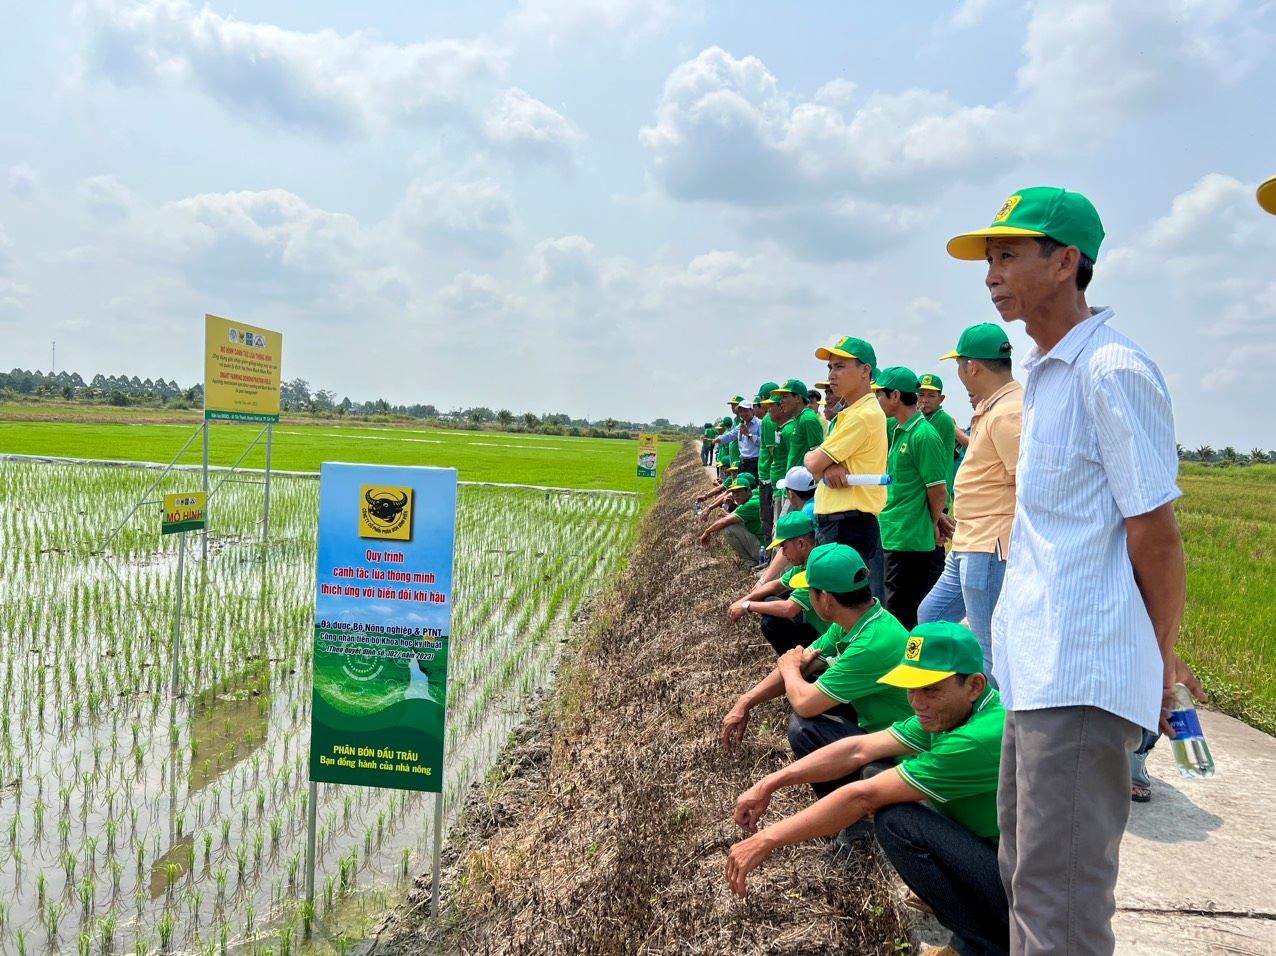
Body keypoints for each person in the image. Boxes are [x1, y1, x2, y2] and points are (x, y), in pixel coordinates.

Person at [946, 185, 1204, 955]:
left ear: (1066, 262)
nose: (992, 273)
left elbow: (1154, 532)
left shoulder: (1110, 371)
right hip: (1035, 667)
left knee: (1061, 909)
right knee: (1027, 877)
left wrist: (1160, 657)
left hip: (1082, 672)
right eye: (988, 257)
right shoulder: (1044, 377)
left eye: (1008, 254)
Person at [726, 621, 1009, 956]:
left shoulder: (978, 738)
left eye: (930, 689)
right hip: (997, 857)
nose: (917, 702)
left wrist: (765, 839)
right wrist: (770, 782)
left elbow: (862, 798)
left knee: (896, 820)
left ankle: (982, 945)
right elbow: (858, 749)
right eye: (911, 688)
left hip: (1016, 887)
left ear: (974, 685)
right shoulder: (955, 712)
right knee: (875, 770)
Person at [917, 323, 1023, 686]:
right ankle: (952, 701)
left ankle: (993, 731)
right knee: (931, 615)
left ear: (972, 366)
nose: (960, 374)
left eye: (959, 365)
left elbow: (1027, 485)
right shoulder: (993, 408)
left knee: (988, 646)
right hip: (968, 541)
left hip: (989, 546)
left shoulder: (1010, 412)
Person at [777, 544, 912, 788]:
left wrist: (790, 670)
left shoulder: (871, 644)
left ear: (826, 599)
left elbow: (805, 703)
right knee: (807, 682)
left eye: (810, 590)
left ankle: (859, 817)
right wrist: (746, 702)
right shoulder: (855, 620)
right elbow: (804, 659)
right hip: (884, 730)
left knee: (804, 728)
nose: (807, 596)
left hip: (902, 753)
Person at [804, 337, 888, 604]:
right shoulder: (850, 413)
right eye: (830, 368)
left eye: (840, 367)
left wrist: (822, 463)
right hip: (841, 523)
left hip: (847, 525)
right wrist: (827, 464)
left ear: (866, 371)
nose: (831, 376)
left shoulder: (861, 416)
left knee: (843, 608)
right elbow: (817, 463)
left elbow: (813, 463)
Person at [874, 367, 949, 630]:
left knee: (903, 614)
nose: (877, 401)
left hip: (910, 538)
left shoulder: (923, 435)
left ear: (895, 396)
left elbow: (938, 490)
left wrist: (931, 521)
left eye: (879, 394)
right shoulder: (898, 429)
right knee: (895, 608)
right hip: (895, 533)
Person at [726, 512, 829, 653]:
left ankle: (807, 669)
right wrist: (744, 599)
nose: (783, 553)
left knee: (770, 622)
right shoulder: (806, 563)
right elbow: (777, 584)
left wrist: (747, 606)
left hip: (830, 640)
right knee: (767, 598)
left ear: (801, 544)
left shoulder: (816, 570)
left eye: (784, 547)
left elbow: (789, 608)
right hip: (822, 630)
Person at [698, 475, 763, 564]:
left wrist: (707, 531)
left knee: (730, 528)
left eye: (739, 491)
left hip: (763, 548)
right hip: (764, 542)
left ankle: (750, 561)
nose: (736, 495)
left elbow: (725, 521)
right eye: (733, 492)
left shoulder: (751, 504)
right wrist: (732, 505)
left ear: (748, 491)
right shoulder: (755, 495)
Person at [917, 373, 958, 505]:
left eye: (931, 396)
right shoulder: (923, 419)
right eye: (921, 394)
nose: (924, 400)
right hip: (924, 493)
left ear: (941, 399)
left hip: (936, 495)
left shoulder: (942, 420)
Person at [754, 381, 780, 544]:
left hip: (768, 477)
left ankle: (769, 561)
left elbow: (773, 452)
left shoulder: (768, 420)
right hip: (768, 475)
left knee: (767, 520)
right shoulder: (770, 420)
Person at [718, 400, 762, 480]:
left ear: (752, 411)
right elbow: (731, 435)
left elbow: (763, 442)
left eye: (745, 410)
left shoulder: (759, 424)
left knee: (752, 486)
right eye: (741, 411)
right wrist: (718, 439)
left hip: (755, 462)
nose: (743, 414)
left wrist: (749, 435)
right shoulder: (741, 425)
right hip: (743, 462)